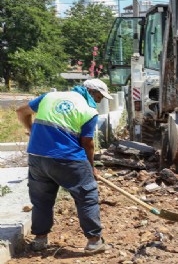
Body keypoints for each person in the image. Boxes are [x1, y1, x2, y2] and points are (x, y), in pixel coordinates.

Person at [16, 79, 113, 254]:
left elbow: (21, 111)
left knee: (41, 200)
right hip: (67, 158)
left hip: (37, 157)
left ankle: (39, 240)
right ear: (90, 91)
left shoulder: (49, 96)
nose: (99, 101)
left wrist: (31, 131)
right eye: (99, 96)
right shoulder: (89, 111)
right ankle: (94, 242)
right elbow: (88, 143)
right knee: (87, 194)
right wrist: (91, 168)